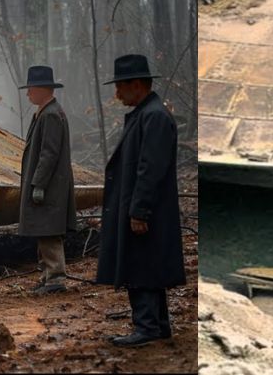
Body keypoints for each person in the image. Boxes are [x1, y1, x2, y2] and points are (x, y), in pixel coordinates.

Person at [97, 54, 184, 347]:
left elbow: (150, 168)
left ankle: (147, 327)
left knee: (142, 265)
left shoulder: (154, 116)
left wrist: (140, 211)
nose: (117, 93)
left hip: (148, 209)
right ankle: (157, 325)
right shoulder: (147, 113)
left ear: (136, 84)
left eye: (120, 86)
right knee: (147, 264)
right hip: (144, 206)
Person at [17, 65, 76, 295]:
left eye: (30, 88)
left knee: (49, 230)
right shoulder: (45, 112)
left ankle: (55, 279)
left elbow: (49, 153)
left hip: (49, 185)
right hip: (48, 183)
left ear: (42, 89)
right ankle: (47, 276)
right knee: (43, 229)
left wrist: (39, 184)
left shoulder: (51, 114)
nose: (27, 93)